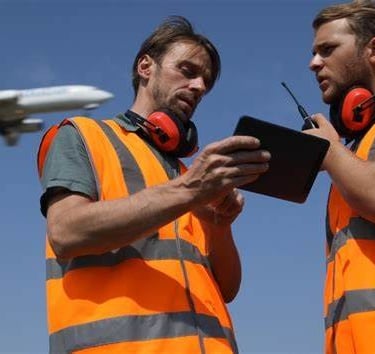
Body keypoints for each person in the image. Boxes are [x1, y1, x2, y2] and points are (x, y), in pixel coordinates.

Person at [37, 16, 270, 354]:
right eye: (188, 71)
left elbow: (227, 289)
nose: (200, 87)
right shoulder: (84, 136)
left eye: (205, 81)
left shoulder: (188, 173)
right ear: (146, 66)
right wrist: (189, 190)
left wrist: (219, 226)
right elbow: (66, 232)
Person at [305, 1, 375, 353]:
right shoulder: (357, 148)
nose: (314, 63)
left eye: (327, 50)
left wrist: (330, 151)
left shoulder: (341, 153)